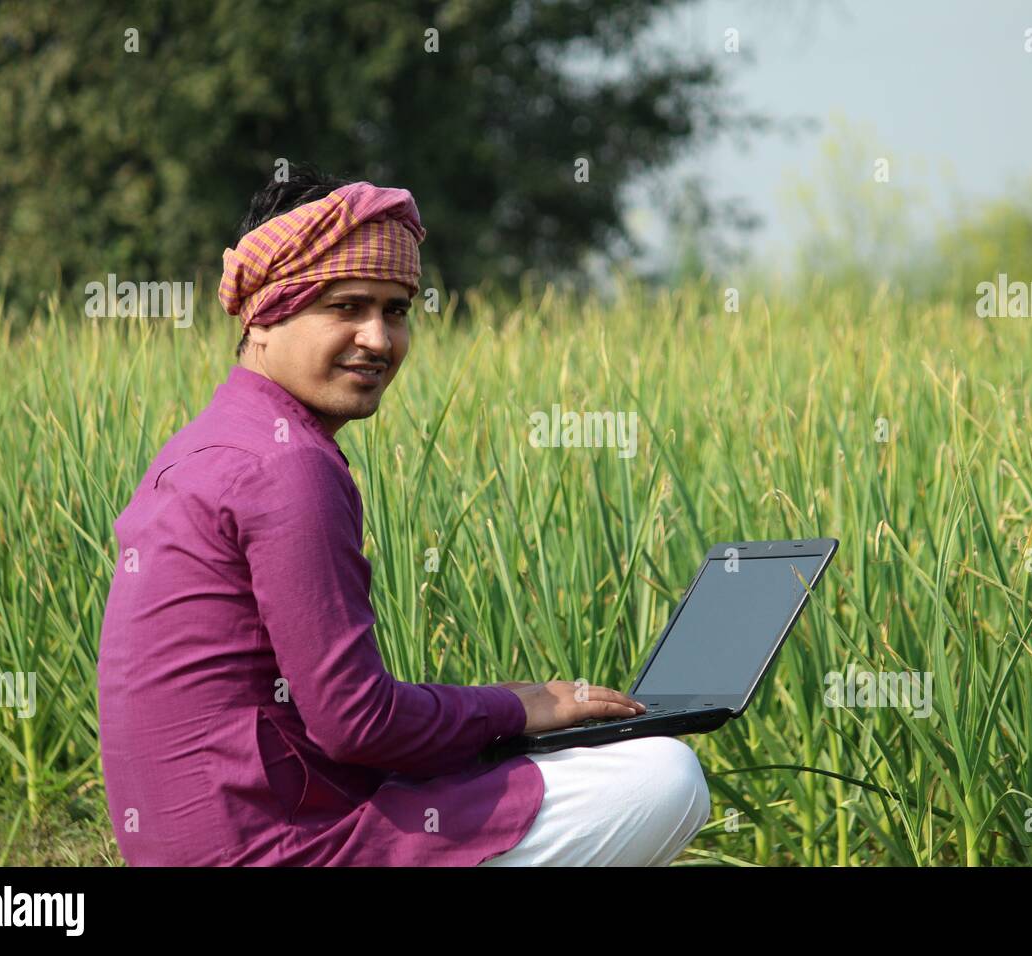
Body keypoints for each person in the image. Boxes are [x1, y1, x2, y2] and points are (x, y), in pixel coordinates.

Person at [97, 164, 711, 866]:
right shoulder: (286, 465)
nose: (379, 340)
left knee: (543, 765)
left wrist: (502, 722)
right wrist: (519, 707)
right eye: (345, 307)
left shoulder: (205, 443)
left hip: (235, 830)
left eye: (396, 310)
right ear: (265, 315)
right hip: (276, 846)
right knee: (663, 776)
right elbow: (356, 723)